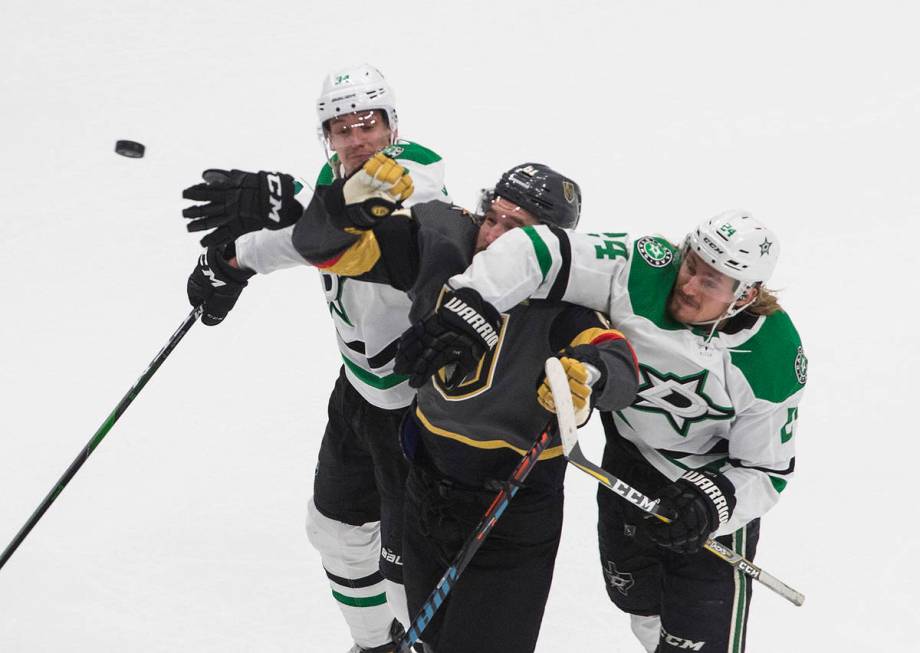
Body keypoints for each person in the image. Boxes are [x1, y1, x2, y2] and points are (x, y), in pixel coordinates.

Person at [399, 211, 806, 652]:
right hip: (627, 467)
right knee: (639, 602)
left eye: (711, 283)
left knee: (700, 638)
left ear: (745, 295)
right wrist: (474, 305)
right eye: (691, 265)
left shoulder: (772, 356)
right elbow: (537, 249)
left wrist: (714, 502)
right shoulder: (641, 269)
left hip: (707, 497)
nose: (688, 286)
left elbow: (766, 469)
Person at [292, 158, 640, 653]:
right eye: (492, 217)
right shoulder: (446, 255)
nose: (492, 235)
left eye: (515, 228)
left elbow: (619, 362)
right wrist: (343, 208)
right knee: (427, 640)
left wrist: (587, 374)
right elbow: (326, 250)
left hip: (511, 510)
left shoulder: (568, 306)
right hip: (427, 490)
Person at [182, 64, 449, 653]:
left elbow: (371, 222)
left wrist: (295, 202)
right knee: (333, 533)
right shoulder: (335, 183)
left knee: (414, 579)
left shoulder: (419, 173)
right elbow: (314, 234)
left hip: (419, 412)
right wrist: (233, 261)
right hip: (357, 393)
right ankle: (374, 646)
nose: (355, 140)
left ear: (391, 125)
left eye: (367, 124)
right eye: (340, 129)